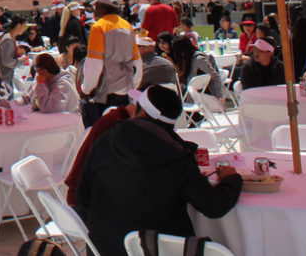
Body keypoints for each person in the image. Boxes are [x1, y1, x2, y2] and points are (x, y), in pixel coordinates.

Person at [77, 85, 243, 255]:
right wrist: (232, 179)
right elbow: (214, 206)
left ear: (140, 111)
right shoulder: (178, 159)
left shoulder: (106, 139)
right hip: (155, 250)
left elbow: (83, 195)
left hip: (103, 248)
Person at [80, 0, 142, 127]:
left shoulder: (98, 27)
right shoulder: (127, 26)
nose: (95, 10)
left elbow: (94, 64)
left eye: (96, 6)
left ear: (102, 7)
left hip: (105, 93)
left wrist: (86, 89)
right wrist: (133, 86)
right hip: (126, 90)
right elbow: (137, 62)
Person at [0, 16, 27, 94]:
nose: (24, 29)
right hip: (3, 78)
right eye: (24, 27)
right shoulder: (8, 40)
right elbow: (6, 61)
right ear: (19, 25)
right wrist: (20, 61)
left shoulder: (10, 38)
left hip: (6, 77)